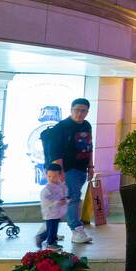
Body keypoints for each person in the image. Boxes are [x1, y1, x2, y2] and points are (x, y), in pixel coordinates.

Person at [43, 97, 94, 244]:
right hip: (67, 169)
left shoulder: (86, 125)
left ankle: (48, 231)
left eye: (83, 111)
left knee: (61, 201)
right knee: (73, 198)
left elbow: (89, 147)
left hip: (81, 168)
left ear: (87, 112)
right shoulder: (62, 127)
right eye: (77, 110)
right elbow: (55, 153)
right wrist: (60, 173)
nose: (79, 113)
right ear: (71, 110)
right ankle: (76, 230)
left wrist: (90, 166)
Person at [38, 162, 68, 248]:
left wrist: (66, 200)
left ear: (60, 176)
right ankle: (50, 243)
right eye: (49, 176)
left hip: (57, 212)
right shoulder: (46, 189)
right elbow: (47, 201)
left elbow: (65, 195)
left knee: (53, 228)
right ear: (46, 175)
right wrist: (58, 202)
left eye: (54, 176)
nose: (51, 179)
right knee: (51, 228)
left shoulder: (61, 186)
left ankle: (49, 239)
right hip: (50, 213)